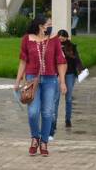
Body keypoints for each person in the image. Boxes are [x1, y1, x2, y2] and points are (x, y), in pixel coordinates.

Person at [15, 15, 67, 157]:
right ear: (40, 25)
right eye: (48, 24)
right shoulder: (27, 39)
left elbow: (60, 61)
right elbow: (23, 61)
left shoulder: (54, 40)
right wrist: (18, 80)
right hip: (32, 79)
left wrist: (62, 82)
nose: (51, 26)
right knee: (33, 112)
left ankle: (44, 141)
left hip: (50, 79)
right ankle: (35, 137)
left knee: (47, 112)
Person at [57, 29, 82, 129]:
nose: (61, 38)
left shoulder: (72, 46)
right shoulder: (55, 46)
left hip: (70, 74)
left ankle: (68, 119)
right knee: (55, 98)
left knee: (68, 98)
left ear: (67, 37)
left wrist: (81, 70)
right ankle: (53, 121)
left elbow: (77, 59)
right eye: (59, 36)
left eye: (63, 36)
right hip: (57, 74)